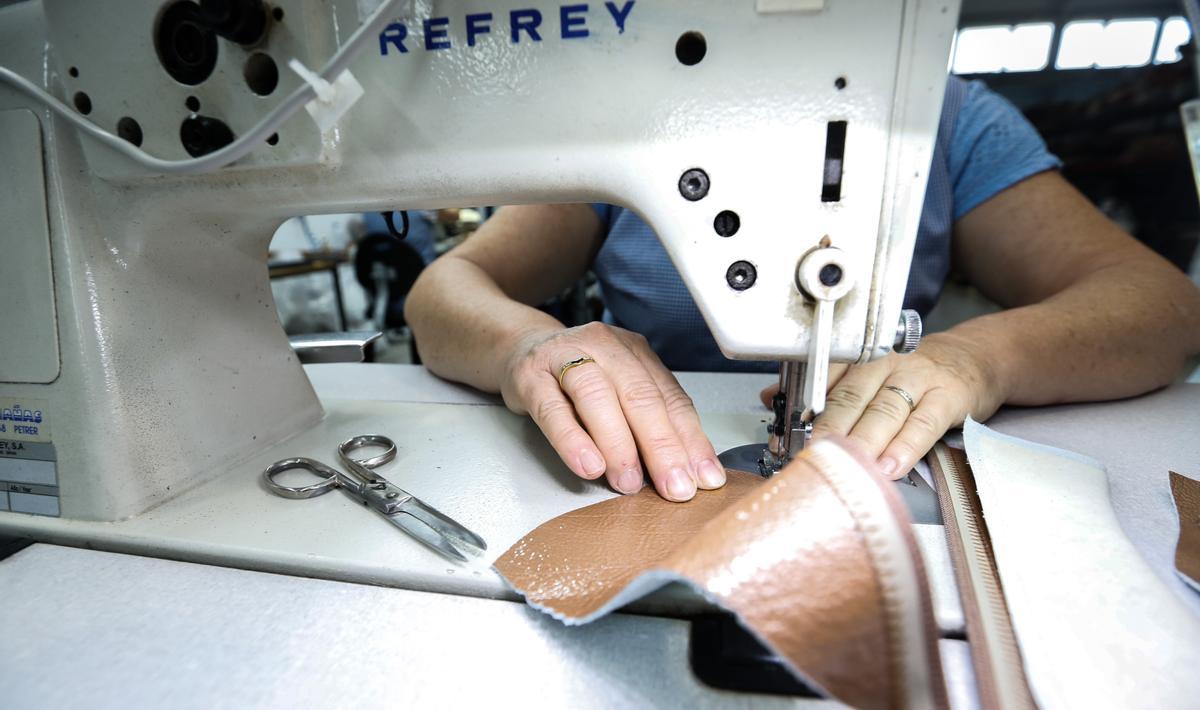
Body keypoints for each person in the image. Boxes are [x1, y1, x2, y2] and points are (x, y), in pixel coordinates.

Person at [405, 77, 1200, 503]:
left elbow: (1161, 306)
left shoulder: (952, 123)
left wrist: (976, 360)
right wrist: (530, 344)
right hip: (634, 457)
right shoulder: (621, 129)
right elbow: (447, 286)